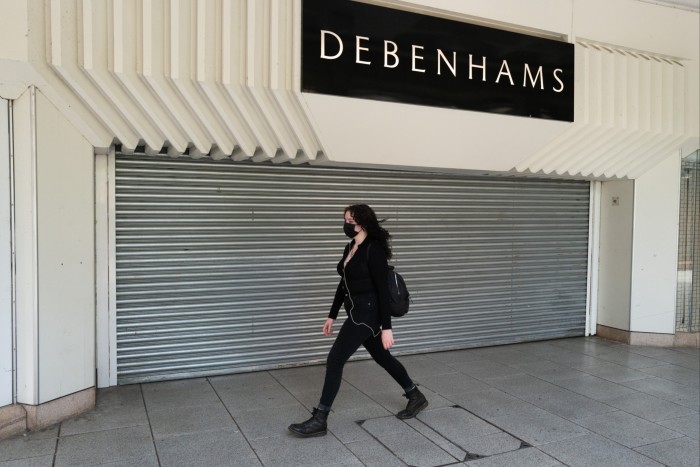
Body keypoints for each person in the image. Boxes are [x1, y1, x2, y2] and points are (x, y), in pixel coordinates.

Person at [288, 204, 428, 438]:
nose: (345, 225)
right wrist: (331, 315)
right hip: (356, 312)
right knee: (382, 356)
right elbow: (343, 284)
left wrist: (386, 328)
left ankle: (320, 419)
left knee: (335, 359)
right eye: (344, 220)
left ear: (362, 223)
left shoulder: (374, 250)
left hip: (367, 315)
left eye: (349, 221)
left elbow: (383, 291)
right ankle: (415, 395)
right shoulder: (350, 247)